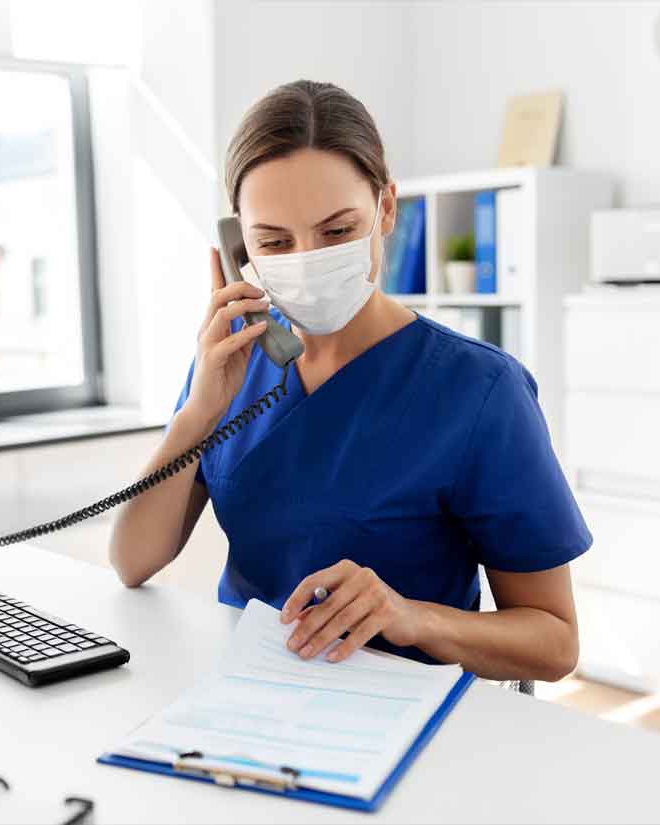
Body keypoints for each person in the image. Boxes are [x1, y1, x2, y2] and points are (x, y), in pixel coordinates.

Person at [108, 79, 591, 682]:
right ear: (239, 246)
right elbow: (132, 561)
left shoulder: (480, 391)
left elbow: (554, 644)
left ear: (386, 208)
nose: (307, 258)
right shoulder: (233, 365)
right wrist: (198, 414)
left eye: (336, 232)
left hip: (402, 714)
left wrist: (411, 617)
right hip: (245, 692)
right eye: (274, 242)